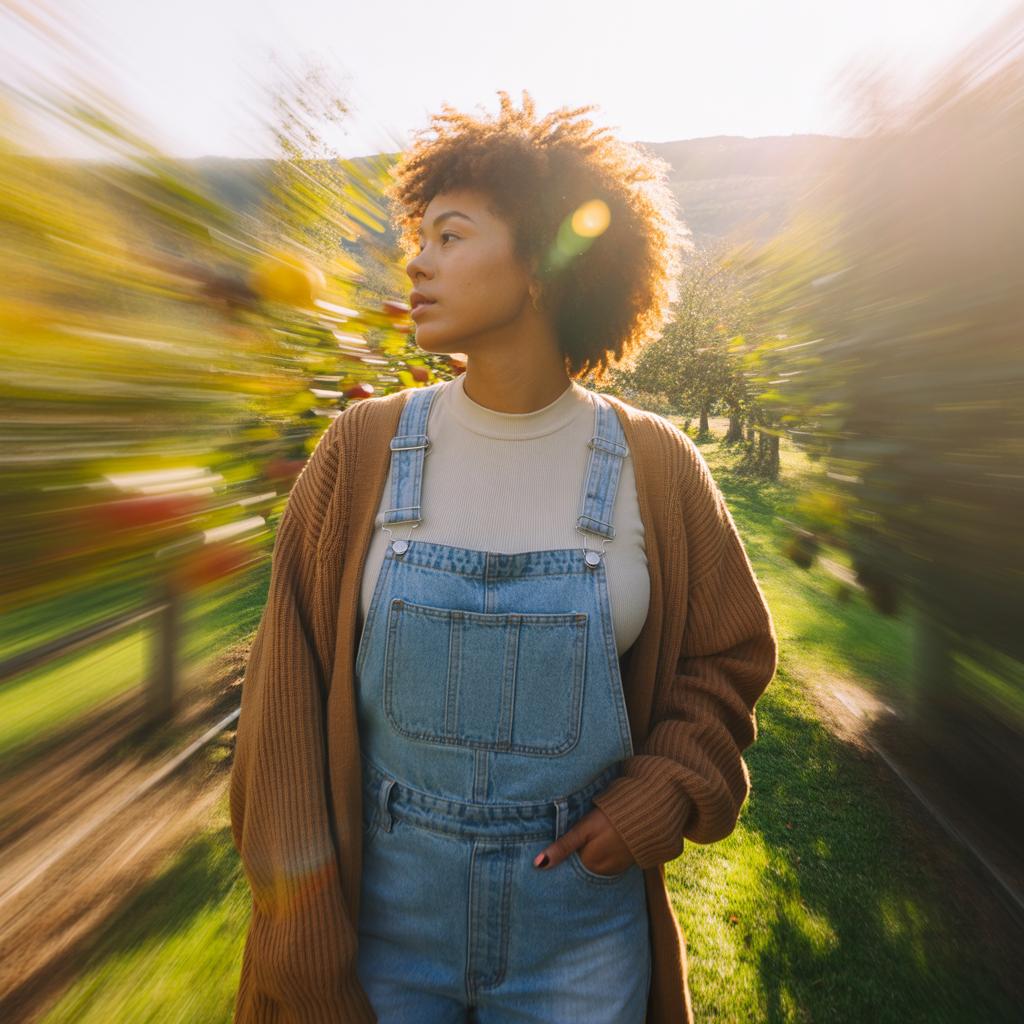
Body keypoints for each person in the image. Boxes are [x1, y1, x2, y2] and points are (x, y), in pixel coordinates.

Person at [230, 94, 777, 1024]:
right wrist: (306, 935)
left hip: (582, 936)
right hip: (381, 927)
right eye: (422, 235)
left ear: (542, 267)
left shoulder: (657, 466)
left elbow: (725, 661)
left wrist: (658, 797)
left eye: (451, 235)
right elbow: (282, 709)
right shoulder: (359, 451)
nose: (417, 260)